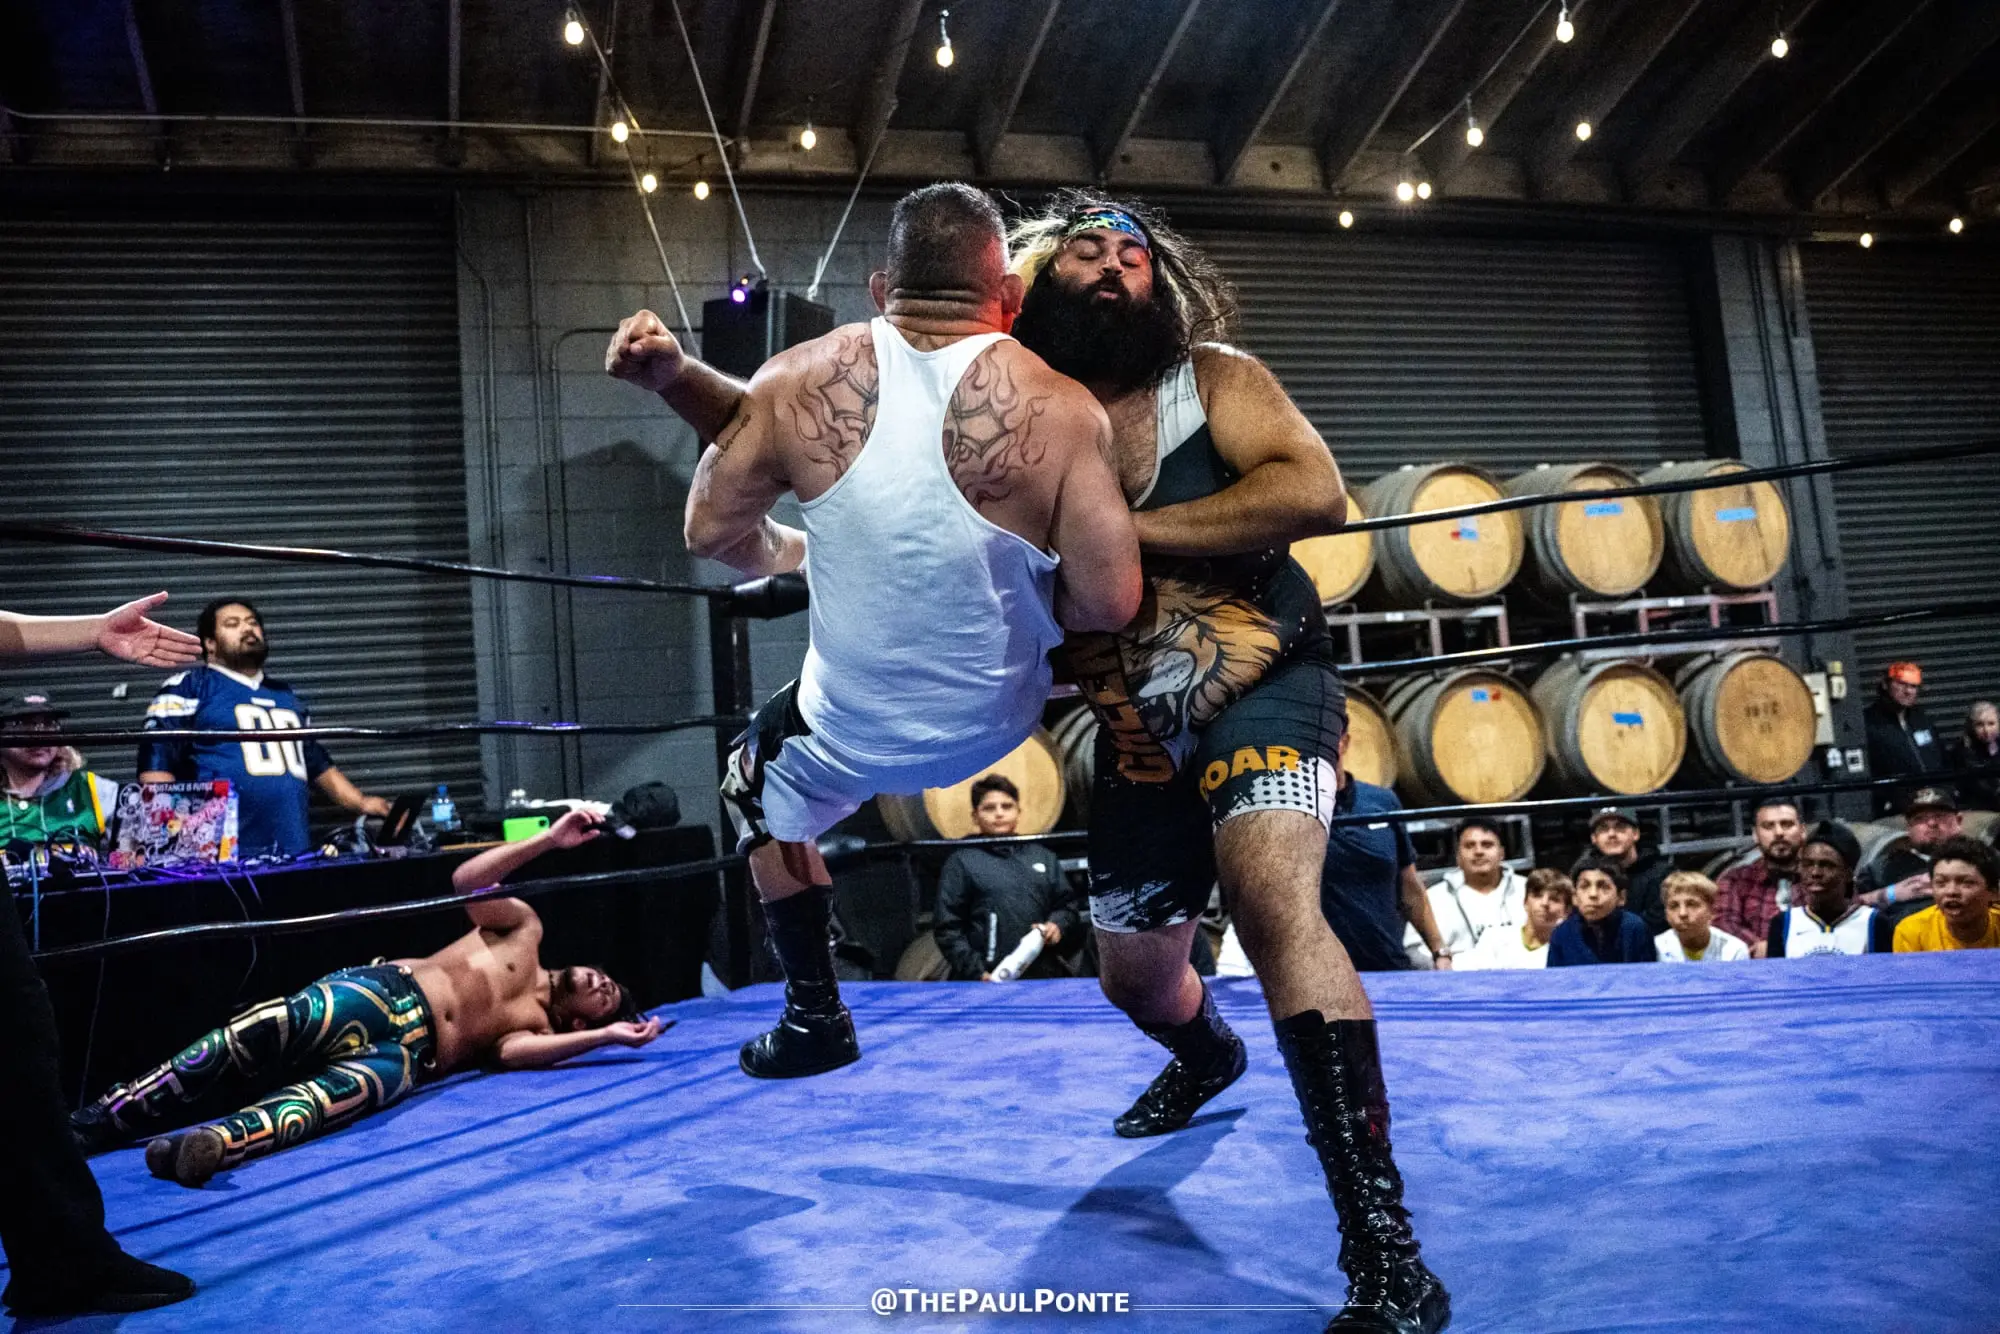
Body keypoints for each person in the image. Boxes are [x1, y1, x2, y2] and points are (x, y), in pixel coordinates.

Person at [1005, 191, 1447, 1331]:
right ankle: (1206, 1053)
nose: (1116, 266)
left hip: (1269, 682)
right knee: (1134, 976)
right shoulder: (1016, 412)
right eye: (1088, 252)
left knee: (1271, 901)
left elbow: (1310, 490)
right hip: (1135, 726)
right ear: (1039, 283)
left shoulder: (1212, 379)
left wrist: (1118, 531)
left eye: (1135, 254)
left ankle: (1385, 1253)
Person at [605, 184, 1141, 1082]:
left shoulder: (799, 378)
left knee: (749, 783)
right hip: (1001, 724)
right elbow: (1110, 603)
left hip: (852, 732)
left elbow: (712, 535)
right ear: (1010, 296)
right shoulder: (1065, 409)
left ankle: (815, 1013)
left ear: (881, 288)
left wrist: (801, 545)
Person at [70, 811, 659, 1186]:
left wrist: (607, 1037)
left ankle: (210, 1146)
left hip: (409, 1058)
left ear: (578, 1021)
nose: (603, 985)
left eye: (607, 1000)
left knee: (318, 1107)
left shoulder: (532, 1027)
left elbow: (511, 1055)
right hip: (382, 994)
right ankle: (107, 1117)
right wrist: (549, 840)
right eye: (607, 979)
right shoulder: (525, 931)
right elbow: (468, 882)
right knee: (260, 1029)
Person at [0, 594, 199, 1317]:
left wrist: (92, 631)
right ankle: (63, 1261)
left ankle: (61, 1260)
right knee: (14, 1035)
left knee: (19, 1037)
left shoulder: (85, 787)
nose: (41, 737)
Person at [137, 598, 390, 858]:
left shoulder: (286, 695)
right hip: (218, 856)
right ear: (210, 643)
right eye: (232, 624)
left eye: (252, 622)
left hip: (293, 849)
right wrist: (169, 832)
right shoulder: (188, 687)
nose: (247, 628)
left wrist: (360, 802)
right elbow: (157, 760)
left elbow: (313, 759)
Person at [1316, 734, 1451, 977]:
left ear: (1344, 742)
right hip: (1323, 976)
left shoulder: (1382, 801)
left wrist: (1439, 952)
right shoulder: (1293, 812)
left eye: (1328, 736)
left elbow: (1410, 887)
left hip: (1388, 966)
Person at [932, 774, 1084, 981]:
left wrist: (1057, 926)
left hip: (1041, 977)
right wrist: (976, 972)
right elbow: (948, 927)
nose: (999, 813)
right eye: (989, 808)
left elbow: (1067, 907)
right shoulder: (962, 861)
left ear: (1018, 812)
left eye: (1007, 806)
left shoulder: (1042, 857)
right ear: (975, 816)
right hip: (987, 978)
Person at [2, 692, 118, 849]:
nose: (39, 734)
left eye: (49, 724)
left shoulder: (91, 790)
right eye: (24, 724)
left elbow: (135, 851)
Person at [1406, 816, 1525, 967]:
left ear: (1502, 853)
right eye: (1469, 846)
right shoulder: (1434, 898)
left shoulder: (1527, 890)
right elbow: (1413, 950)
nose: (1478, 851)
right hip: (1457, 979)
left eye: (1487, 845)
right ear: (1458, 856)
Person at [1766, 822, 1889, 957]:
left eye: (1827, 865)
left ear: (1848, 874)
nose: (1815, 872)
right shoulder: (1784, 924)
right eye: (1807, 864)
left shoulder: (1874, 923)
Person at [1856, 787, 1963, 927]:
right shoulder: (1882, 867)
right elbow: (1845, 905)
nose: (1932, 823)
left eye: (1940, 816)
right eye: (1920, 819)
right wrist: (1890, 894)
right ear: (1908, 827)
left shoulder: (1980, 858)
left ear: (1958, 821)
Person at [1713, 798, 1804, 957]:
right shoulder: (1735, 879)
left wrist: (1776, 948)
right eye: (1768, 826)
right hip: (1754, 969)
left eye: (1787, 824)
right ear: (1755, 835)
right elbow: (1723, 924)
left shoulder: (1820, 877)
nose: (1779, 833)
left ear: (1803, 831)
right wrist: (1757, 946)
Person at [1570, 806, 1671, 933]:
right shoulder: (1582, 875)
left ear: (1636, 834)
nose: (1612, 834)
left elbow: (1659, 923)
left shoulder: (1662, 874)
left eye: (1620, 827)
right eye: (1603, 829)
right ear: (1594, 838)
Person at [1863, 661, 1945, 816]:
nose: (1908, 691)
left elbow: (1942, 758)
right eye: (1901, 684)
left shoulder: (1921, 718)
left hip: (1935, 802)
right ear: (1885, 684)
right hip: (1897, 811)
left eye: (1913, 686)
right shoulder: (1869, 723)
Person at [1891, 836, 2000, 952]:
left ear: (1994, 892)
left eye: (1966, 882)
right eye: (1941, 883)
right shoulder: (1911, 932)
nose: (1951, 891)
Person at [1547, 858, 1657, 966]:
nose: (1593, 894)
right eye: (1584, 886)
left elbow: (1647, 975)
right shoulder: (1562, 934)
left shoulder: (1634, 928)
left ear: (1621, 897)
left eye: (1604, 887)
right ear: (1574, 897)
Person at [1455, 869, 1571, 971]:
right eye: (1537, 896)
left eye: (1554, 899)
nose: (1544, 903)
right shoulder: (1493, 938)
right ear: (1525, 902)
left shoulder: (1564, 953)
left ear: (1566, 911)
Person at [1654, 872, 1751, 963]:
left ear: (1712, 910)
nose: (1682, 913)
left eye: (1692, 904)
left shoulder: (1734, 950)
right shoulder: (1656, 948)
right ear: (1666, 913)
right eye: (1674, 906)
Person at [1947, 700, 2000, 809]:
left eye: (1991, 724)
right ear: (1971, 727)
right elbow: (1979, 785)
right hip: (1978, 807)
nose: (1986, 730)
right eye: (1980, 725)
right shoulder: (1963, 751)